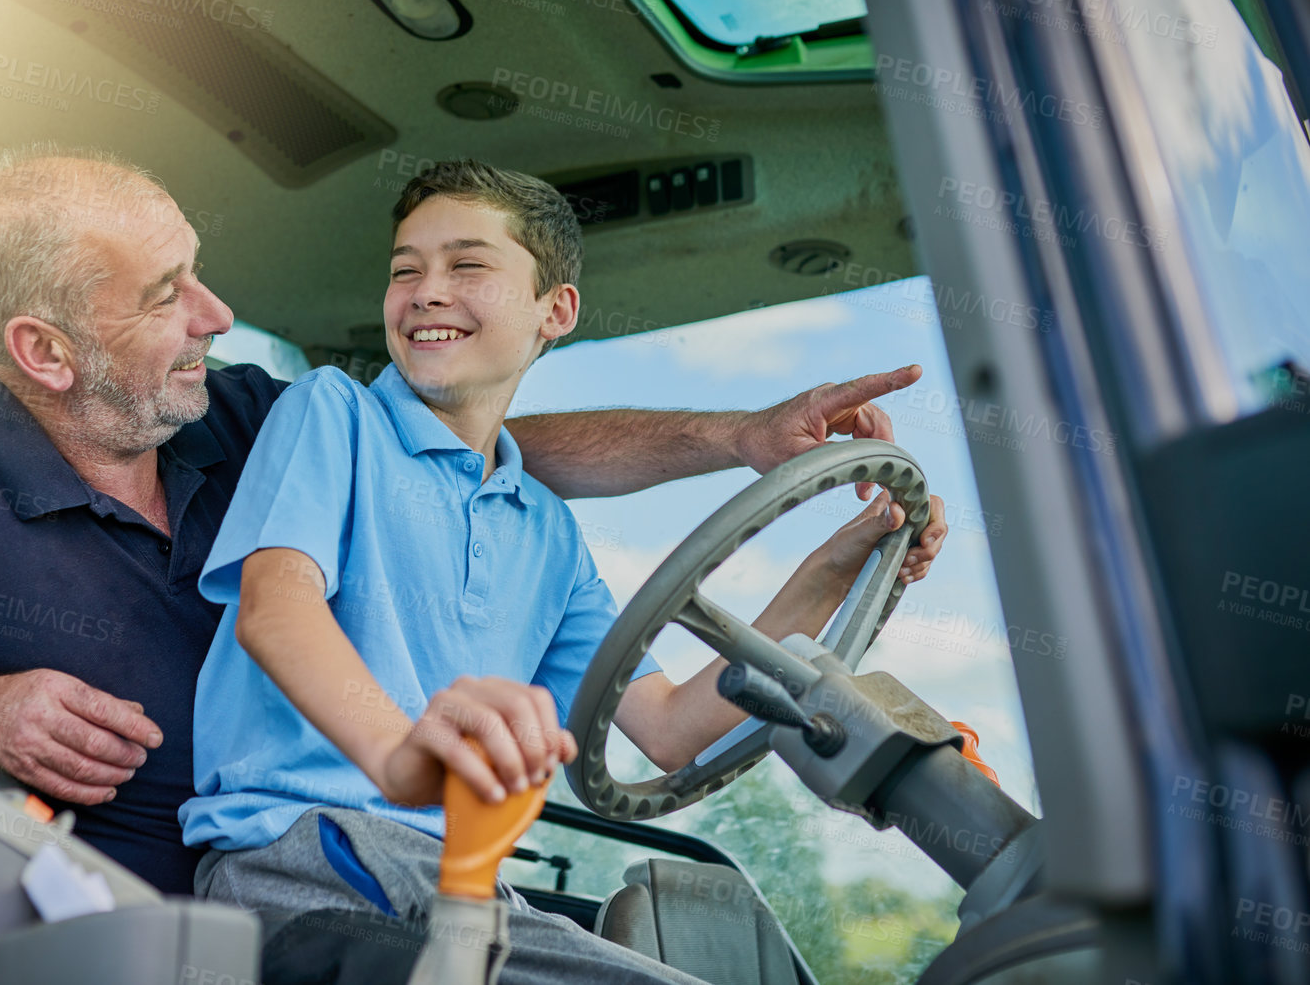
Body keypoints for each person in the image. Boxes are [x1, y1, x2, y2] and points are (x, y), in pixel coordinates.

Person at [0, 145, 946, 898]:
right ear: (47, 352)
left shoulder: (237, 415)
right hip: (195, 908)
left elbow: (489, 460)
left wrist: (748, 455)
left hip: (397, 883)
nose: (216, 314)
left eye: (198, 270)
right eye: (168, 295)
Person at [180, 160, 946, 983]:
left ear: (556, 310)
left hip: (455, 879)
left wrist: (836, 566)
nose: (426, 290)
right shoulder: (334, 411)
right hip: (309, 858)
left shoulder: (546, 531)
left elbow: (669, 727)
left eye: (467, 264)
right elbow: (275, 606)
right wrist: (403, 758)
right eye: (406, 269)